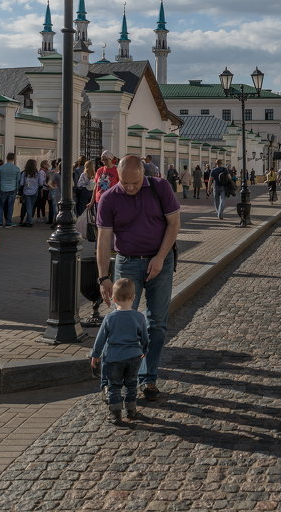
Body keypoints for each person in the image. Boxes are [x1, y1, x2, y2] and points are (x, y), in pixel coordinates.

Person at [96, 155, 181, 402]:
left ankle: (148, 378)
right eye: (125, 183)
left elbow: (174, 225)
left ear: (143, 174)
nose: (130, 188)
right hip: (127, 262)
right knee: (121, 323)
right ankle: (110, 382)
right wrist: (103, 277)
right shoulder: (110, 198)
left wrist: (160, 257)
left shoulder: (160, 187)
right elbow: (103, 240)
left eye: (135, 183)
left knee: (157, 323)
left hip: (160, 262)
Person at [90, 278, 149, 424]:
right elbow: (145, 337)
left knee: (114, 386)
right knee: (131, 384)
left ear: (113, 298)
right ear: (134, 298)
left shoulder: (110, 318)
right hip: (134, 357)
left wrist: (95, 355)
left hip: (114, 358)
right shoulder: (139, 317)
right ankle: (131, 410)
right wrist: (144, 350)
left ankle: (115, 414)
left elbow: (100, 339)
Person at [0, 153, 21, 227]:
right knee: (10, 206)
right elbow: (18, 180)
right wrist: (17, 189)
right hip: (12, 189)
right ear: (13, 159)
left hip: (2, 189)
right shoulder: (16, 169)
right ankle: (8, 223)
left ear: (6, 158)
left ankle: (0, 222)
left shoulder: (1, 168)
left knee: (0, 206)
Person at [19, 159, 42, 226]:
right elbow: (40, 183)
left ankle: (30, 222)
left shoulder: (24, 173)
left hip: (26, 192)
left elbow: (21, 183)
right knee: (31, 207)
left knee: (28, 207)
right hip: (35, 192)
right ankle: (27, 221)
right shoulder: (37, 173)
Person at [46, 159, 61, 225]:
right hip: (62, 191)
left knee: (54, 207)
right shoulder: (66, 173)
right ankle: (57, 220)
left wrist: (53, 188)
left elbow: (48, 183)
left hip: (54, 191)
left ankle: (55, 220)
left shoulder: (51, 172)